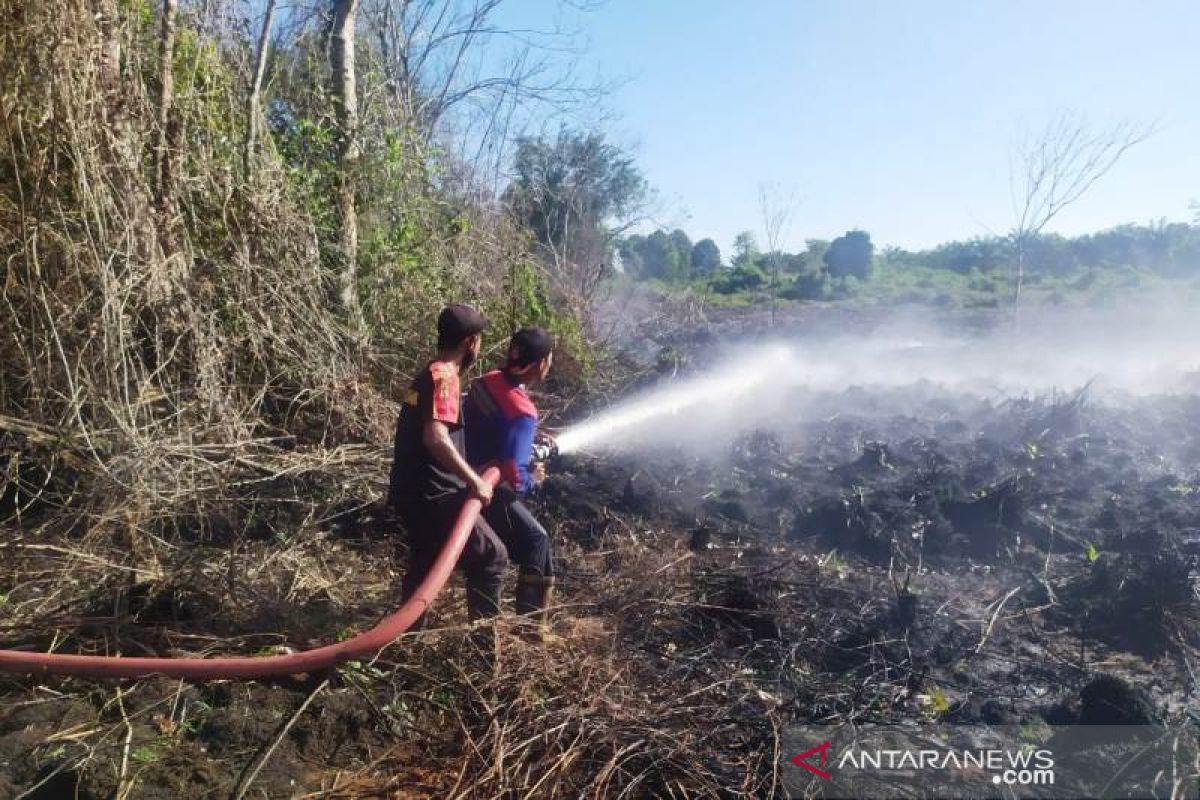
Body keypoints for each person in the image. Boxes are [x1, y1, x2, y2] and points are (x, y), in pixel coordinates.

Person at [387, 304, 509, 625]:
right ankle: (484, 653)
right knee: (492, 557)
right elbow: (436, 437)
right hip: (436, 496)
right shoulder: (445, 378)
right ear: (470, 342)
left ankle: (408, 642)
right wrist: (476, 481)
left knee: (424, 568)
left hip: (412, 492)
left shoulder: (430, 372)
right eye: (479, 340)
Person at [463, 326, 557, 638]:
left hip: (462, 473)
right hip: (483, 491)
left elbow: (489, 429)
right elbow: (516, 477)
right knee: (537, 540)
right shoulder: (523, 413)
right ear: (541, 363)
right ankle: (532, 631)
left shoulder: (487, 380)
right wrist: (535, 479)